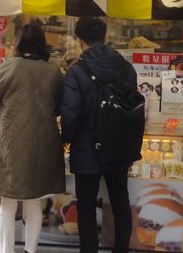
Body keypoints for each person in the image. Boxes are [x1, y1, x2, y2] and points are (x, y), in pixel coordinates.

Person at [0, 23, 65, 253]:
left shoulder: (10, 66)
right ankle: (30, 250)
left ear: (18, 43)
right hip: (43, 143)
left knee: (7, 204)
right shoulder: (53, 71)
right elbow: (59, 107)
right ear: (42, 44)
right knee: (34, 202)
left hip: (9, 144)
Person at [61, 17, 139, 253]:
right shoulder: (126, 67)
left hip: (86, 147)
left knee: (85, 206)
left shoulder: (77, 71)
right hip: (119, 144)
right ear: (105, 37)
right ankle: (121, 249)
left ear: (80, 40)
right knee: (120, 202)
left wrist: (67, 138)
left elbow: (71, 113)